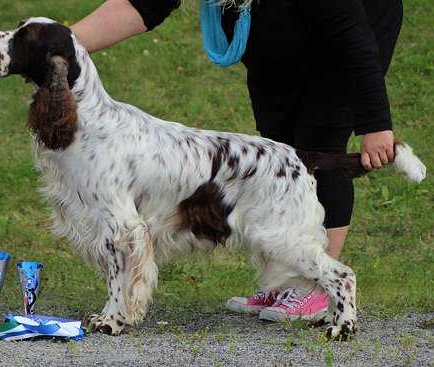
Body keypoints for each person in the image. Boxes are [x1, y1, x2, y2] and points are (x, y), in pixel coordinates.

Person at [71, 0, 401, 322]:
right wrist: (62, 41)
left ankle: (316, 287)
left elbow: (352, 34)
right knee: (279, 152)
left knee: (320, 138)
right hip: (276, 39)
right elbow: (142, 6)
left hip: (346, 41)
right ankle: (285, 282)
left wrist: (376, 124)